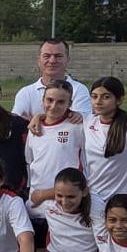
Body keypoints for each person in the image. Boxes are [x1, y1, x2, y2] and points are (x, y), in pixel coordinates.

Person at [24, 81, 86, 242]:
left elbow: (86, 169)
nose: (53, 106)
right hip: (36, 204)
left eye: (61, 102)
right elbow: (31, 163)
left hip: (65, 205)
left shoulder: (78, 127)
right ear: (43, 100)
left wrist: (48, 194)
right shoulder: (34, 129)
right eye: (49, 100)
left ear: (70, 104)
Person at [83, 77, 127, 213]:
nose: (98, 101)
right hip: (92, 200)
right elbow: (56, 115)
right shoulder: (86, 121)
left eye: (105, 97)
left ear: (119, 100)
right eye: (94, 97)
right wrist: (39, 117)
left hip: (122, 201)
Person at [11, 38, 93, 120]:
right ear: (39, 60)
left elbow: (79, 123)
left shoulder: (79, 90)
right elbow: (16, 123)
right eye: (47, 56)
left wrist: (37, 118)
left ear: (67, 60)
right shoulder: (25, 93)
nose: (52, 60)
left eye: (58, 56)